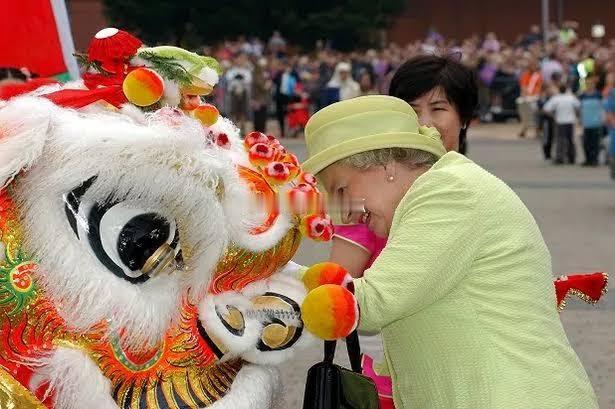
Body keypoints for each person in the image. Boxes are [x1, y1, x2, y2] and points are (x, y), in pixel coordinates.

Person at [303, 95, 597, 409]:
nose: (345, 214)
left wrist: (271, 296)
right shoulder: (441, 189)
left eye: (342, 191)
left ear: (385, 165)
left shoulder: (447, 192)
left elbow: (373, 302)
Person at [543, 84, 580, 164]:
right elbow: (578, 106)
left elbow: (546, 109)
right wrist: (575, 114)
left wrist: (553, 116)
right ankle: (571, 157)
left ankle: (560, 158)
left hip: (560, 122)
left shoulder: (556, 98)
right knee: (570, 140)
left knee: (560, 140)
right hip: (570, 121)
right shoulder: (571, 98)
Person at [578, 75, 604, 166]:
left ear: (594, 85)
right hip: (586, 122)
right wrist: (580, 119)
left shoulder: (598, 95)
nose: (589, 85)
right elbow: (579, 108)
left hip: (596, 122)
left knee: (595, 142)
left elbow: (602, 107)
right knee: (586, 143)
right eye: (587, 84)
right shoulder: (582, 95)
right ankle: (588, 159)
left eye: (591, 84)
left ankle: (594, 159)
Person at [517, 59, 543, 138]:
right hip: (526, 97)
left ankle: (536, 131)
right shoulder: (525, 75)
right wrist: (525, 95)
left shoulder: (538, 76)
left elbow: (539, 88)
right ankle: (524, 129)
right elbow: (523, 87)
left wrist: (533, 96)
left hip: (535, 97)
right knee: (524, 112)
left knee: (534, 113)